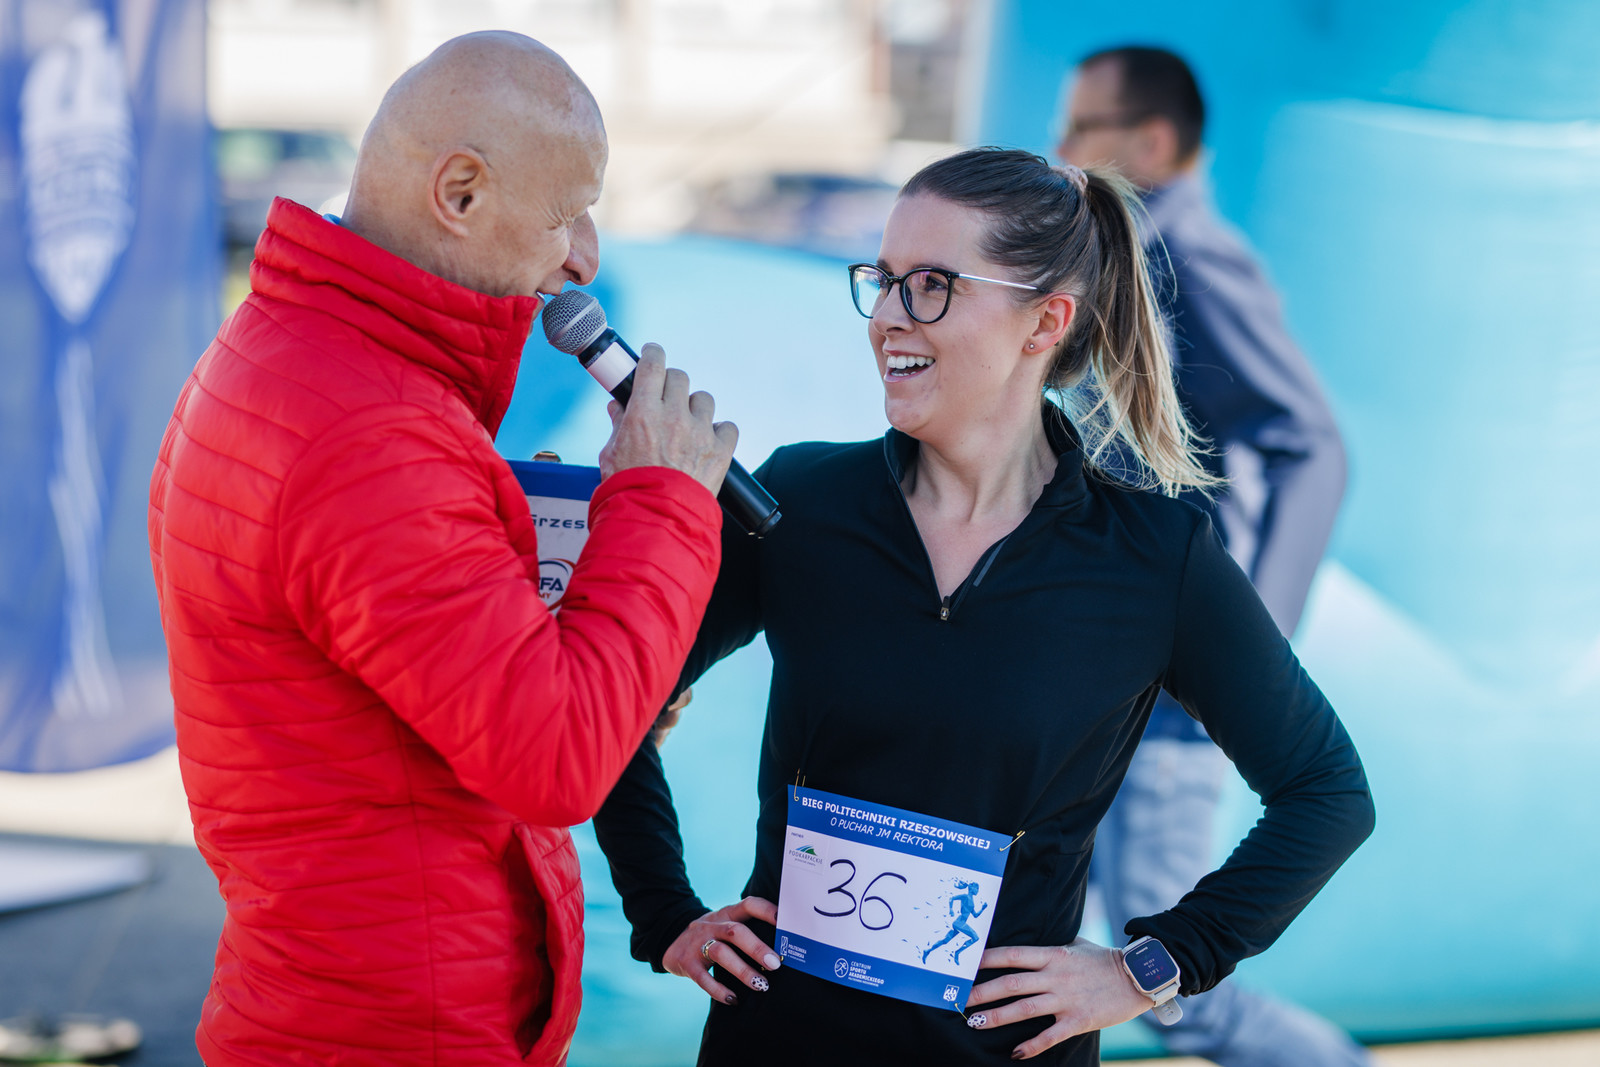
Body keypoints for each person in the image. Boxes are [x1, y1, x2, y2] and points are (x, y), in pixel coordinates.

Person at [591, 147, 1374, 1065]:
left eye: (931, 285)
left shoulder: (1155, 556)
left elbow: (1327, 792)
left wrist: (1150, 965)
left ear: (1045, 321)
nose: (888, 316)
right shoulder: (798, 502)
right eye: (883, 280)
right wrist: (665, 914)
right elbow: (614, 697)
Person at [147, 32, 737, 1067]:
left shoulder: (293, 353)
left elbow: (410, 679)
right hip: (397, 1026)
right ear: (459, 192)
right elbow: (556, 760)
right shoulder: (374, 432)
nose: (584, 255)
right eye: (566, 212)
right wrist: (662, 498)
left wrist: (553, 597)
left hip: (331, 992)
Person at [1057, 47, 1366, 1067]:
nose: (1060, 148)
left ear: (1149, 144)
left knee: (1172, 989)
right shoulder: (1121, 256)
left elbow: (1313, 441)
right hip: (1105, 678)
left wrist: (1252, 638)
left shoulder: (1189, 254)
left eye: (1082, 127)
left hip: (1170, 696)